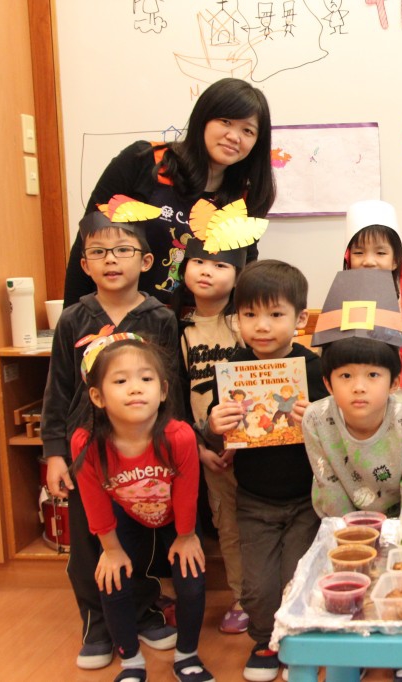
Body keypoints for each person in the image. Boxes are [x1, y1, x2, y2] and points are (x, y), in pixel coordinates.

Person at [42, 207, 181, 670]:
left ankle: (141, 611)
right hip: (87, 452)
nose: (111, 260)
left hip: (145, 448)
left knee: (140, 534)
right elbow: (58, 389)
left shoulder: (159, 317)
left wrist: (176, 445)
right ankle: (98, 623)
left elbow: (173, 388)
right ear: (85, 265)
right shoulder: (73, 319)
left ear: (145, 260)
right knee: (90, 541)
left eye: (122, 250)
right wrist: (55, 453)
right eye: (98, 253)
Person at [206, 260, 327, 682]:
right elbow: (219, 428)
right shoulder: (233, 367)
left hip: (306, 500)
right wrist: (214, 424)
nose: (262, 325)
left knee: (297, 577)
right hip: (254, 500)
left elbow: (337, 430)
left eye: (276, 314)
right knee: (256, 587)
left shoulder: (314, 368)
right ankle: (263, 640)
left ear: (300, 319)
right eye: (249, 314)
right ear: (236, 319)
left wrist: (316, 418)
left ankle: (295, 641)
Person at [73, 338, 214, 682]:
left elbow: (187, 492)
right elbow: (93, 499)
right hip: (126, 514)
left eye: (146, 379)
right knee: (112, 578)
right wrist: (110, 549)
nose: (135, 388)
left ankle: (187, 655)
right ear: (98, 396)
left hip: (177, 519)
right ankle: (131, 662)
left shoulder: (179, 436)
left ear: (163, 390)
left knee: (191, 580)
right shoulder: (86, 442)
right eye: (121, 381)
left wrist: (186, 536)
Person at [65, 77, 275, 307]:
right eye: (225, 121)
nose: (234, 136)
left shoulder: (243, 198)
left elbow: (243, 273)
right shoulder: (143, 161)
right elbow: (89, 242)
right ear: (203, 118)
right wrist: (73, 317)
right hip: (123, 318)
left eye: (248, 130)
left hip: (196, 323)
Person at [172, 234, 249, 635]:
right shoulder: (179, 330)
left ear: (237, 276)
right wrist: (199, 447)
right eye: (199, 262)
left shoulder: (243, 324)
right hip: (207, 449)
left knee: (258, 523)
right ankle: (240, 597)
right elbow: (175, 398)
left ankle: (267, 593)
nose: (207, 271)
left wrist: (241, 441)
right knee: (228, 527)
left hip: (252, 446)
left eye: (220, 265)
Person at [303, 337, 402, 516]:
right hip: (339, 520)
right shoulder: (315, 418)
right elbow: (328, 484)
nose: (359, 388)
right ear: (328, 384)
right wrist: (351, 530)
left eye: (373, 375)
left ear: (394, 383)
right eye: (346, 376)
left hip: (398, 521)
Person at [342, 199, 402, 405]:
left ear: (395, 260)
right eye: (358, 252)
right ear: (348, 258)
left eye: (380, 253)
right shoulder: (339, 307)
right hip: (353, 406)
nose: (368, 261)